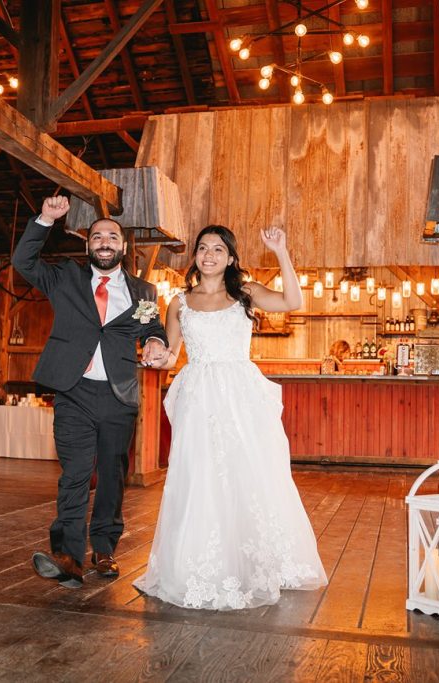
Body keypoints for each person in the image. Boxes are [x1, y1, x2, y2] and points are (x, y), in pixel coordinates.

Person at [135, 225, 327, 610]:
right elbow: (172, 356)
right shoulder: (179, 302)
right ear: (195, 257)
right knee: (200, 477)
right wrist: (155, 356)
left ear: (231, 258)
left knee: (250, 475)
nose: (209, 255)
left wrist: (281, 251)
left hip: (241, 396)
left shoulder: (246, 293)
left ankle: (255, 564)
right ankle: (200, 566)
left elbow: (292, 300)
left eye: (218, 249)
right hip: (198, 397)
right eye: (203, 248)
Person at [12, 195, 168, 589]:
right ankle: (68, 555)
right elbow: (23, 263)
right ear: (87, 246)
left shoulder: (143, 292)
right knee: (76, 475)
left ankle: (104, 548)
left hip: (119, 396)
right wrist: (45, 219)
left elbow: (152, 328)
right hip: (73, 391)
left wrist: (153, 342)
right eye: (96, 236)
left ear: (123, 246)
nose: (104, 241)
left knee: (113, 478)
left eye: (111, 236)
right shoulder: (65, 276)